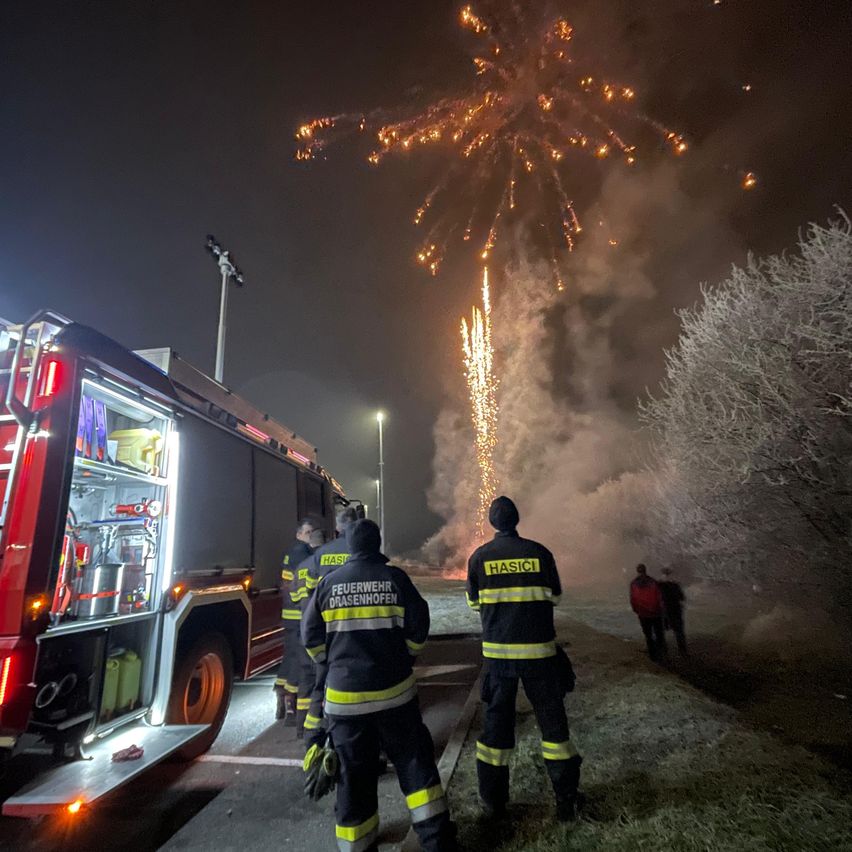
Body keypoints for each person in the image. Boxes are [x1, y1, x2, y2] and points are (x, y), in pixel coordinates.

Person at [302, 519, 457, 852]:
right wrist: (406, 658)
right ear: (377, 544)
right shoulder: (395, 579)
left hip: (344, 703)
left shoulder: (329, 583)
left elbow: (311, 638)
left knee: (353, 777)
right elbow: (419, 626)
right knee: (415, 766)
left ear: (350, 546)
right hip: (395, 697)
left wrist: (331, 664)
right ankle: (436, 841)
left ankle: (357, 845)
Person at [466, 496, 583, 822]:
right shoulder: (539, 553)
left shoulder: (479, 558)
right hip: (540, 655)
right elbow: (555, 596)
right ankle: (565, 800)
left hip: (499, 660)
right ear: (517, 519)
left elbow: (474, 604)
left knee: (495, 734)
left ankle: (494, 802)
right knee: (554, 730)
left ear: (492, 523)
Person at [274, 518, 316, 722]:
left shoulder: (293, 551)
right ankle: (290, 703)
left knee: (290, 656)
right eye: (307, 533)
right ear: (299, 534)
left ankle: (282, 697)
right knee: (298, 660)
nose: (310, 537)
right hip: (297, 615)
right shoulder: (301, 552)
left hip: (291, 615)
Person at [630, 564, 667, 661]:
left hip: (643, 613)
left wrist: (636, 610)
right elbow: (659, 597)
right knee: (659, 633)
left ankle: (652, 655)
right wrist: (662, 610)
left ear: (637, 571)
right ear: (645, 570)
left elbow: (633, 599)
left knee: (648, 634)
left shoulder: (634, 584)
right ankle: (662, 653)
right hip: (656, 612)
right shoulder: (653, 582)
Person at [659, 567, 687, 656]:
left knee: (660, 631)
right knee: (679, 632)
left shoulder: (659, 585)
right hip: (675, 610)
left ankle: (663, 650)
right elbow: (682, 597)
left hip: (664, 611)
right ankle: (683, 651)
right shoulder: (675, 585)